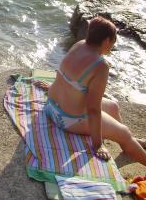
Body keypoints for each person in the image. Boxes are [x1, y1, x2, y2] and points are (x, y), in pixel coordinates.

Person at [35, 17, 146, 166]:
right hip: (67, 119)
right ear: (107, 40)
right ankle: (127, 140)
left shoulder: (79, 45)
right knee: (124, 132)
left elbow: (67, 79)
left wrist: (51, 87)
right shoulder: (100, 65)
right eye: (114, 41)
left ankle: (130, 143)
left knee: (113, 106)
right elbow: (93, 109)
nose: (113, 45)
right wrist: (97, 144)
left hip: (51, 107)